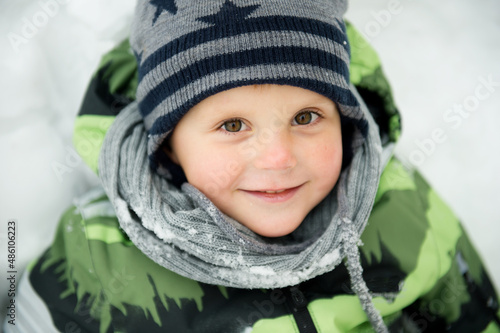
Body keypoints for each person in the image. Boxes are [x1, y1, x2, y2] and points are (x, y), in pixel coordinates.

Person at [6, 0, 500, 332]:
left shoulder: (399, 204)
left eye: (306, 117)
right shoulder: (99, 253)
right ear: (170, 145)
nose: (278, 157)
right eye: (232, 125)